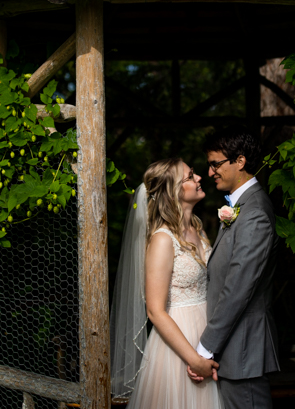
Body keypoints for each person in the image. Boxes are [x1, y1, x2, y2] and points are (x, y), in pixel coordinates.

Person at [112, 157, 223, 409]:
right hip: (179, 343)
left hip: (207, 335)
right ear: (174, 191)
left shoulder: (198, 228)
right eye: (190, 176)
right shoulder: (163, 239)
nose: (199, 178)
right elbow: (155, 310)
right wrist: (193, 359)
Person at [188, 127, 280, 409]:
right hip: (235, 352)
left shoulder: (254, 214)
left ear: (239, 161)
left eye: (216, 163)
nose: (210, 171)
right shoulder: (242, 208)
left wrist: (204, 348)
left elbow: (238, 288)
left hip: (243, 351)